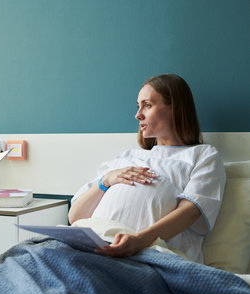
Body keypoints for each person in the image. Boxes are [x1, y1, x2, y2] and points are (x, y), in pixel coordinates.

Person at [68, 74, 226, 263]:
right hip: (90, 246)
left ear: (175, 109)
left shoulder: (203, 156)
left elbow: (191, 211)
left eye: (148, 105)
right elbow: (74, 216)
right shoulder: (127, 157)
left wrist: (138, 241)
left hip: (145, 256)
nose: (138, 114)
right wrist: (106, 180)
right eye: (138, 106)